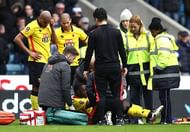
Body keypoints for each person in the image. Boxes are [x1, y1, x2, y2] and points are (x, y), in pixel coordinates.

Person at [83, 8, 128, 125]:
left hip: (101, 68)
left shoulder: (93, 34)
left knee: (101, 95)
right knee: (116, 95)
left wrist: (85, 69)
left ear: (96, 19)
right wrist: (125, 66)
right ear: (106, 17)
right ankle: (119, 119)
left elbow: (89, 53)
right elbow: (122, 51)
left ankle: (101, 119)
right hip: (114, 67)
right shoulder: (116, 32)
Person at [14, 10, 57, 110]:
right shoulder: (32, 26)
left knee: (46, 85)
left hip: (47, 60)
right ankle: (35, 110)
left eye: (47, 22)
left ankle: (42, 109)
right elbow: (17, 39)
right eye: (45, 22)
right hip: (36, 61)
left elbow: (54, 41)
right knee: (37, 86)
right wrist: (29, 52)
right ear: (40, 18)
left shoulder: (48, 25)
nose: (46, 24)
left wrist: (52, 27)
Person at [86, 70, 164, 125]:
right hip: (109, 102)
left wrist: (93, 102)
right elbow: (123, 90)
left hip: (101, 102)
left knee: (124, 105)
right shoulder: (116, 73)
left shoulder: (92, 75)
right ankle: (150, 114)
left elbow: (89, 91)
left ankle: (149, 114)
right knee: (124, 104)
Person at [148, 17, 180, 124]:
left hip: (165, 73)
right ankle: (166, 119)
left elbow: (164, 56)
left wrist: (158, 68)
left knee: (164, 98)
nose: (151, 34)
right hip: (166, 74)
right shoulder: (163, 39)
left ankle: (166, 119)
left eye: (152, 31)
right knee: (164, 97)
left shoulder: (161, 40)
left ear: (155, 30)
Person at [126, 15, 154, 123]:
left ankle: (149, 118)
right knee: (134, 97)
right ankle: (134, 119)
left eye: (134, 27)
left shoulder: (147, 35)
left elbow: (152, 51)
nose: (132, 29)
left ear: (140, 25)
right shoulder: (126, 37)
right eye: (131, 27)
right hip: (133, 71)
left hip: (146, 71)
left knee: (148, 97)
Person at [38, 46, 79, 111]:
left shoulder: (47, 64)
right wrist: (70, 104)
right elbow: (66, 87)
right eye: (73, 58)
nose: (73, 61)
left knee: (47, 120)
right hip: (55, 102)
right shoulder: (65, 66)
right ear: (69, 55)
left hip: (42, 100)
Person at [55, 13, 88, 84]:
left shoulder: (78, 31)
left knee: (76, 86)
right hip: (62, 64)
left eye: (67, 22)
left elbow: (89, 42)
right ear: (60, 22)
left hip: (76, 64)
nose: (66, 25)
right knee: (64, 86)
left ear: (70, 20)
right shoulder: (56, 33)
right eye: (64, 23)